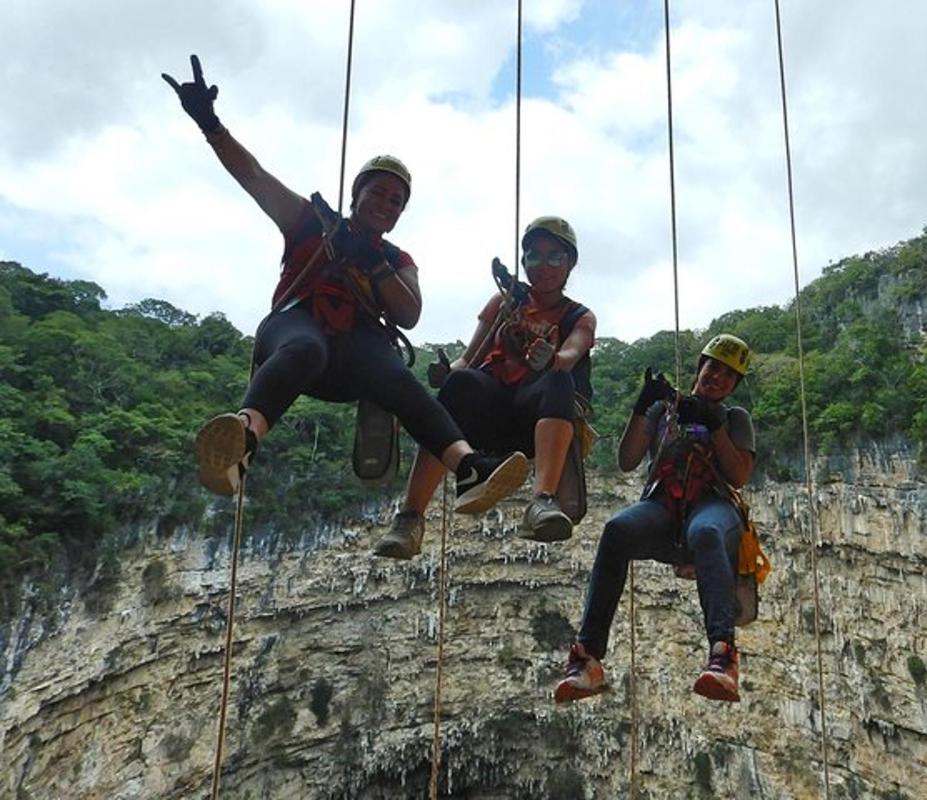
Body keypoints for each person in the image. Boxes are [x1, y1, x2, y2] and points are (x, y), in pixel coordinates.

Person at [162, 55, 528, 513]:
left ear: (399, 215)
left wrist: (372, 263)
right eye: (376, 192)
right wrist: (211, 125)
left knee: (396, 377)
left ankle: (469, 468)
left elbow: (408, 314)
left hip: (356, 349)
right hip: (298, 322)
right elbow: (255, 177)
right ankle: (241, 440)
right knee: (305, 348)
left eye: (395, 200)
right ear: (356, 195)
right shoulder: (310, 222)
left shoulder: (396, 259)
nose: (385, 203)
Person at [372, 216, 597, 559]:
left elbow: (569, 355)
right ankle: (410, 518)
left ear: (569, 264)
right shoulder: (504, 303)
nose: (545, 266)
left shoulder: (578, 316)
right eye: (535, 256)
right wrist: (446, 375)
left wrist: (552, 357)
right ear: (524, 263)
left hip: (534, 416)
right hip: (490, 412)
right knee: (460, 383)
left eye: (555, 257)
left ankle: (543, 501)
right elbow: (469, 359)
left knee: (558, 378)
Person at [553, 334, 755, 704]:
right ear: (700, 367)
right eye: (713, 368)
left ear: (735, 385)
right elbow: (627, 460)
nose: (718, 378)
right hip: (663, 505)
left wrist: (716, 428)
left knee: (708, 532)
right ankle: (587, 657)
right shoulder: (665, 410)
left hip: (712, 504)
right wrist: (642, 407)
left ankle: (723, 656)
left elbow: (739, 475)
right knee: (616, 531)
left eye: (729, 376)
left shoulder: (734, 418)